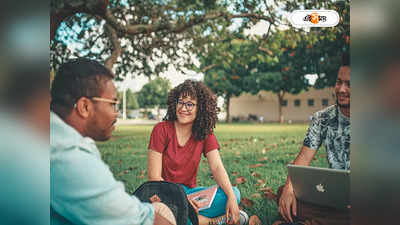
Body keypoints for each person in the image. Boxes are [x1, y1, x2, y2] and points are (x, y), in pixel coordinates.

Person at [50, 58, 176, 225]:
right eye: (113, 104)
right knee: (161, 212)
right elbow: (144, 221)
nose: (116, 113)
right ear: (85, 107)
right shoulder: (67, 157)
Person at [147, 80, 249, 225]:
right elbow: (154, 177)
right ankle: (213, 222)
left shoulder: (205, 133)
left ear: (200, 108)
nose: (183, 108)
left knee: (234, 193)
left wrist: (232, 199)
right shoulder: (161, 130)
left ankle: (186, 219)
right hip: (163, 194)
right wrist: (182, 200)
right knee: (163, 214)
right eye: (180, 102)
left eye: (190, 104)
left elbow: (217, 167)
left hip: (190, 195)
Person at [276, 53, 351, 225]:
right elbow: (303, 157)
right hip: (337, 200)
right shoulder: (323, 118)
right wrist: (289, 188)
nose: (341, 89)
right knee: (284, 194)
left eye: (349, 84)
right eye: (339, 82)